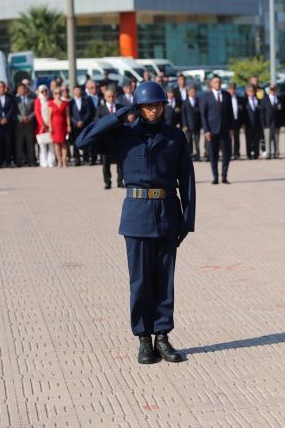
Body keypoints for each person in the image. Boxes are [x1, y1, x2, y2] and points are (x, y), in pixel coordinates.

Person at [75, 81, 196, 365]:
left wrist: (187, 220)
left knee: (164, 281)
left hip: (167, 213)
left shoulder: (174, 137)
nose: (153, 110)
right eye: (147, 106)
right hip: (137, 215)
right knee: (140, 281)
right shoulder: (124, 135)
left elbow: (186, 179)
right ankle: (143, 340)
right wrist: (119, 115)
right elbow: (82, 142)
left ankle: (162, 338)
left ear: (164, 107)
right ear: (139, 107)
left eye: (157, 105)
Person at [202, 75, 234, 184]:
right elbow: (204, 115)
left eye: (219, 82)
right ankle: (215, 177)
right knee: (213, 155)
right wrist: (206, 130)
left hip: (225, 131)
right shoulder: (206, 96)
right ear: (211, 84)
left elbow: (230, 113)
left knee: (226, 154)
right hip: (212, 131)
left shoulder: (227, 95)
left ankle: (224, 176)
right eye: (215, 82)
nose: (218, 83)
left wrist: (231, 128)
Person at [96, 89, 126, 188]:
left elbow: (125, 121)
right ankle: (107, 182)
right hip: (106, 140)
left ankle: (120, 181)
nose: (111, 98)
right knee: (106, 163)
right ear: (105, 97)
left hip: (118, 139)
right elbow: (97, 122)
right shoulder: (100, 109)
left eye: (113, 96)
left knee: (120, 163)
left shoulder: (120, 108)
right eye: (109, 96)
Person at [0, 81, 17, 168]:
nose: (1, 88)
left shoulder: (10, 97)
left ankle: (8, 162)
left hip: (8, 123)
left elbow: (12, 109)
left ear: (5, 87)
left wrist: (6, 118)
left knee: (8, 143)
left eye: (2, 87)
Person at [69, 86, 96, 166]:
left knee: (85, 141)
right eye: (76, 90)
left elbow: (88, 112)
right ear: (73, 92)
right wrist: (76, 122)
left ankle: (86, 158)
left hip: (84, 125)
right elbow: (70, 114)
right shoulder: (71, 102)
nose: (78, 92)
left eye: (79, 90)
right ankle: (77, 159)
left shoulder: (86, 101)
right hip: (75, 125)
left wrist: (83, 121)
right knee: (76, 142)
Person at [14, 83, 36, 167]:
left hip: (29, 125)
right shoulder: (15, 99)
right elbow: (14, 111)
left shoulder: (32, 99)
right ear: (18, 90)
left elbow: (35, 110)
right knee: (19, 144)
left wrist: (29, 117)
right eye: (20, 89)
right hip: (19, 125)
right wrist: (21, 118)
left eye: (23, 88)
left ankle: (31, 161)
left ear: (26, 89)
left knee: (30, 144)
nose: (22, 90)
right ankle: (19, 162)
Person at [48, 87, 70, 168]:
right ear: (53, 94)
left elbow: (67, 115)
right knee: (57, 144)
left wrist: (68, 125)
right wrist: (50, 126)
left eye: (59, 93)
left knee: (64, 143)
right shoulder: (51, 103)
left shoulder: (65, 103)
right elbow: (49, 116)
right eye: (56, 93)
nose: (58, 95)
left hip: (63, 125)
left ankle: (64, 160)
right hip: (55, 125)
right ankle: (59, 160)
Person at [34, 85, 55, 168]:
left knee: (51, 144)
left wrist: (49, 123)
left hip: (50, 124)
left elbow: (52, 113)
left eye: (46, 91)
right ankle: (43, 161)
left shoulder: (50, 100)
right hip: (41, 126)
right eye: (42, 91)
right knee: (42, 144)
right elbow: (37, 113)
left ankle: (51, 161)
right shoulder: (37, 101)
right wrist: (43, 124)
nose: (44, 93)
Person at [260, 84, 283, 159]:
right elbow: (262, 112)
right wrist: (263, 123)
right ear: (269, 90)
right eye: (271, 89)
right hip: (268, 123)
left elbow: (281, 111)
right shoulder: (265, 99)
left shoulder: (278, 99)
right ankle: (268, 153)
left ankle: (276, 152)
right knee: (268, 139)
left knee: (276, 139)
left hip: (276, 123)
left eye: (274, 89)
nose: (273, 91)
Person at [181, 85, 203, 161]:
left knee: (197, 141)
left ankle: (198, 155)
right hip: (188, 125)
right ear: (188, 93)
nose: (193, 93)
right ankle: (190, 156)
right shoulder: (185, 102)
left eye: (194, 92)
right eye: (191, 92)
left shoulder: (198, 101)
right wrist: (184, 125)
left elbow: (201, 114)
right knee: (189, 141)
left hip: (197, 125)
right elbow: (183, 115)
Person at [243, 84, 262, 159]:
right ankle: (249, 154)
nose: (251, 92)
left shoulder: (258, 100)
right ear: (247, 92)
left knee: (257, 139)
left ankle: (256, 153)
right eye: (249, 91)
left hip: (257, 123)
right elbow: (243, 113)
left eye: (253, 91)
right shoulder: (244, 101)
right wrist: (243, 123)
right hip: (248, 124)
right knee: (249, 140)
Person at [227, 82, 244, 159]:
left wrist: (242, 122)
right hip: (228, 121)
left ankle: (236, 153)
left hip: (236, 121)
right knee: (228, 138)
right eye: (230, 89)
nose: (232, 91)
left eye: (233, 89)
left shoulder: (239, 99)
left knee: (237, 138)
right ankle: (229, 153)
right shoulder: (226, 98)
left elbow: (242, 111)